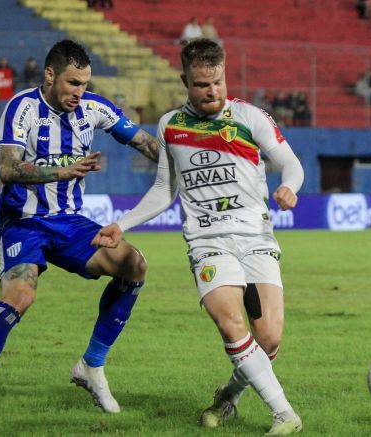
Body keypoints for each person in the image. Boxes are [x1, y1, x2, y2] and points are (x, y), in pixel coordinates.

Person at [92, 38, 304, 436]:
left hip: (256, 236)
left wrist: (289, 186)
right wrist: (124, 223)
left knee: (270, 339)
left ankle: (227, 398)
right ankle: (285, 414)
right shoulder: (171, 125)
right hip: (208, 241)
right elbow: (164, 189)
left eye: (218, 82)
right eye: (203, 84)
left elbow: (290, 164)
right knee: (230, 323)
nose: (212, 91)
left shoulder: (250, 116)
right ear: (185, 80)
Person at [0, 39, 160, 422]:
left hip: (71, 222)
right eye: (73, 83)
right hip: (24, 222)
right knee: (20, 295)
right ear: (50, 75)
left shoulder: (93, 108)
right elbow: (8, 169)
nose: (80, 92)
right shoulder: (21, 108)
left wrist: (188, 158)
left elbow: (144, 142)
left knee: (134, 264)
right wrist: (62, 171)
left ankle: (91, 366)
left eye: (85, 83)